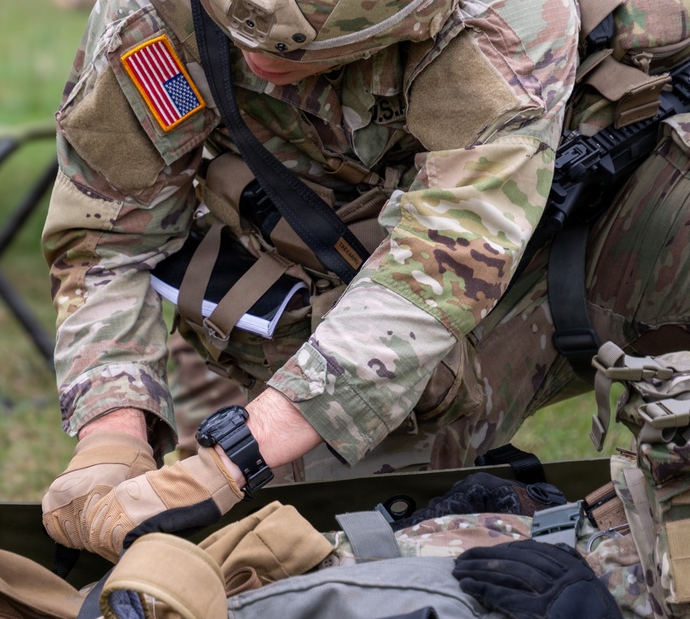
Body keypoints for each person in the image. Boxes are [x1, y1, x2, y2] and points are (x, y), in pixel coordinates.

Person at [40, 0, 690, 561]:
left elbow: (446, 255)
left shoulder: (497, 17)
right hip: (380, 308)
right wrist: (112, 431)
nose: (264, 59)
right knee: (319, 542)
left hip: (609, 238)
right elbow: (106, 235)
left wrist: (237, 452)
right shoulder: (159, 20)